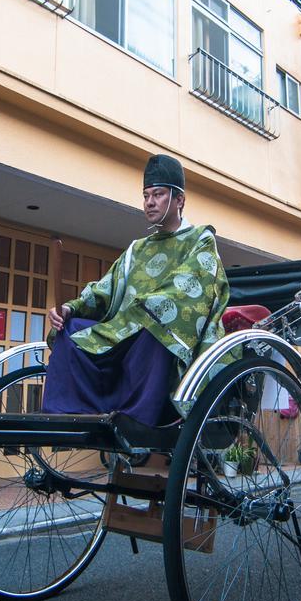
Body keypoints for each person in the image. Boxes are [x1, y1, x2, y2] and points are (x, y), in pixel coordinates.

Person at [44, 154, 229, 426]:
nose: (149, 202)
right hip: (126, 329)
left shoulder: (200, 239)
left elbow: (192, 285)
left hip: (163, 330)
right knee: (70, 331)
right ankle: (72, 413)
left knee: (157, 327)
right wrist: (71, 308)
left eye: (158, 194)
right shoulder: (136, 249)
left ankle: (137, 420)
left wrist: (145, 310)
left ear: (180, 200)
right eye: (145, 195)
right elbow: (105, 289)